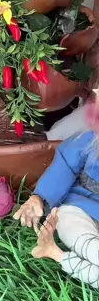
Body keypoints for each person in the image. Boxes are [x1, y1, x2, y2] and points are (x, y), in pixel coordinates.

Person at [14, 91, 99, 288]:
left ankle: (55, 253)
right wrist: (40, 197)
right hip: (80, 206)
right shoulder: (87, 142)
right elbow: (64, 168)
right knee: (73, 227)